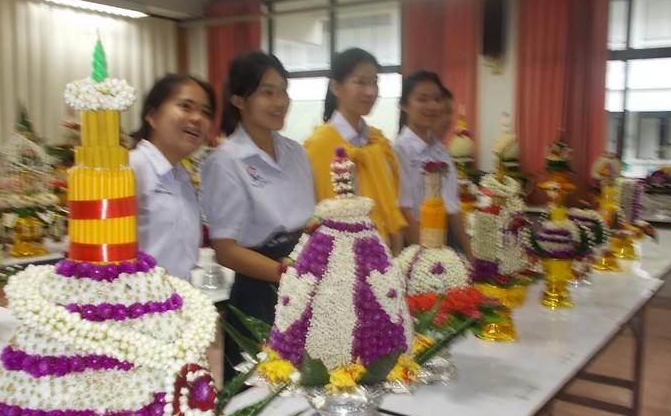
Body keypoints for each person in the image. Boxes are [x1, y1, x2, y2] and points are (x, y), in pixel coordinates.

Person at [200, 51, 315, 380]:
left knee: (309, 382)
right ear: (238, 99)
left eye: (283, 91)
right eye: (267, 92)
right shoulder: (225, 162)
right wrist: (291, 275)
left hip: (304, 284)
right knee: (259, 388)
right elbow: (226, 250)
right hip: (260, 295)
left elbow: (310, 220)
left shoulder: (296, 152)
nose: (280, 102)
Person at [303, 47, 406, 254]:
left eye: (374, 82)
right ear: (335, 86)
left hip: (384, 254)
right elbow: (314, 212)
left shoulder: (378, 143)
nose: (370, 91)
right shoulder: (319, 146)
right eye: (360, 82)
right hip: (339, 258)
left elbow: (391, 204)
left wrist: (397, 255)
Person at [129, 73, 214, 281]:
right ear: (152, 116)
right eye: (185, 106)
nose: (197, 118)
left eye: (205, 112)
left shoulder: (182, 177)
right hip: (138, 298)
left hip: (177, 296)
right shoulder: (132, 168)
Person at [393, 71, 473, 261]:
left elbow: (453, 208)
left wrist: (470, 256)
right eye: (422, 99)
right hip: (414, 242)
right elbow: (404, 210)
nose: (432, 106)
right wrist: (426, 259)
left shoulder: (441, 151)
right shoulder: (398, 150)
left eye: (437, 99)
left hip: (445, 238)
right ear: (404, 105)